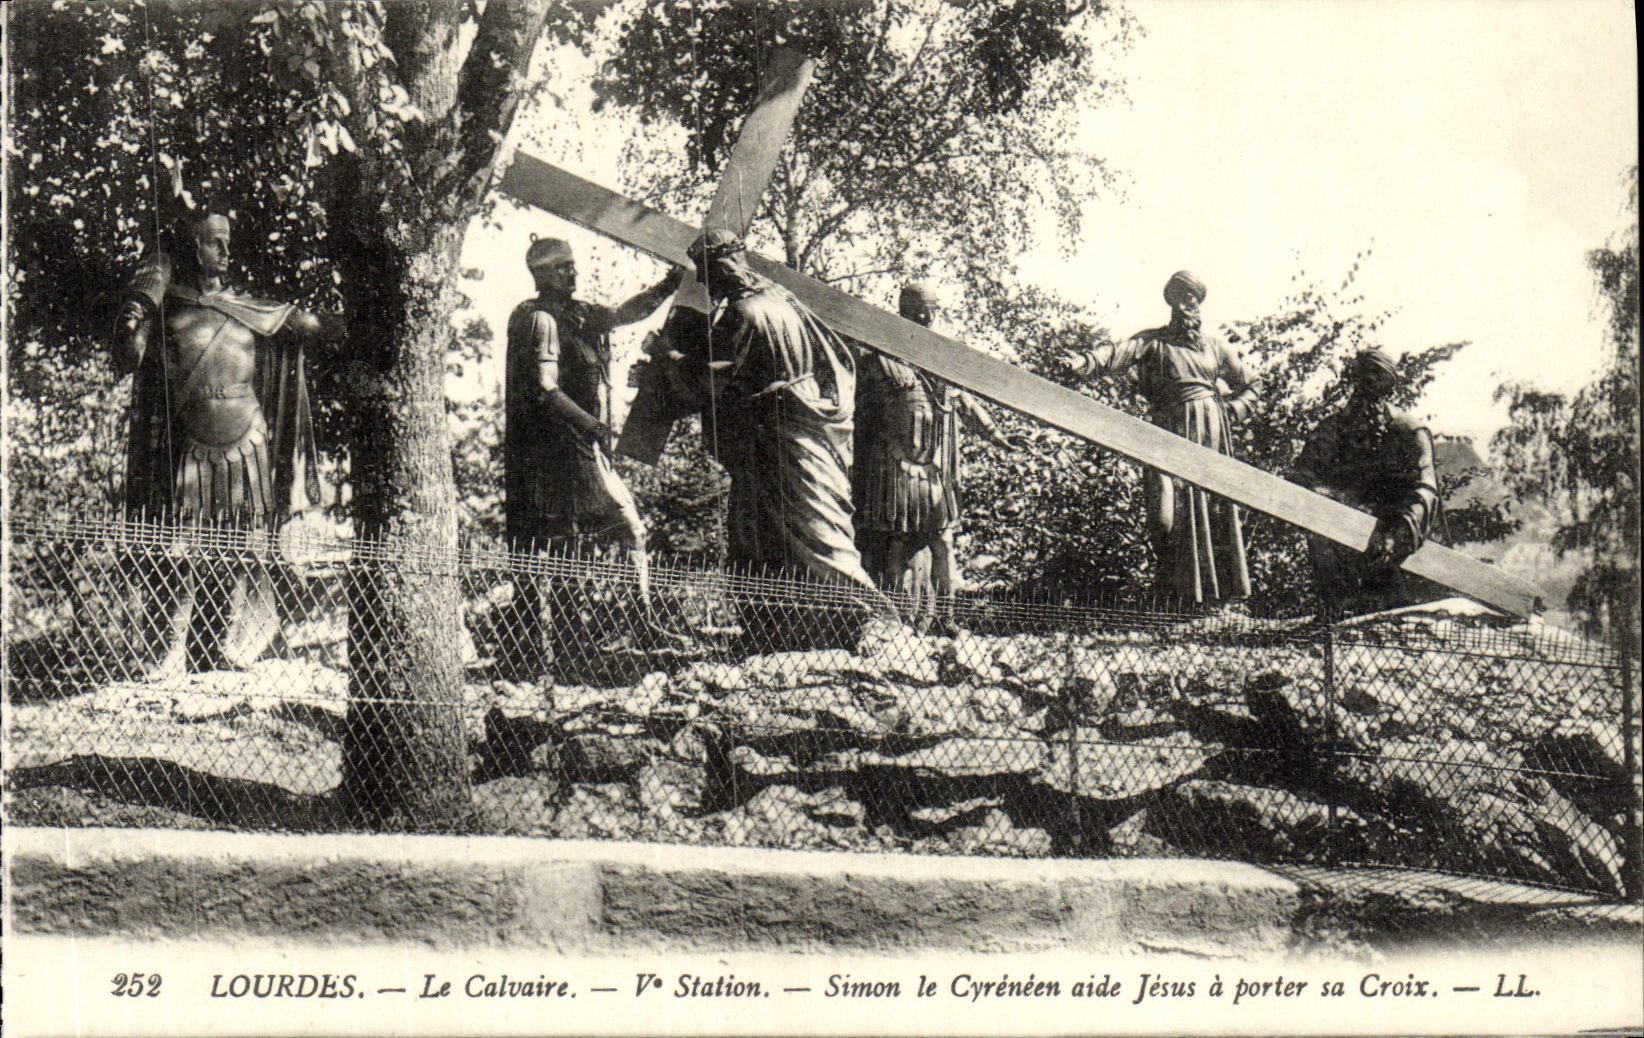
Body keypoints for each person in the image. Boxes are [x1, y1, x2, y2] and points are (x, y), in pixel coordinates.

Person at [112, 209, 335, 677]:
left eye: (228, 242)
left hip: (246, 439)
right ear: (193, 248)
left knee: (232, 547)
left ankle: (212, 650)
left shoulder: (252, 311)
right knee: (175, 548)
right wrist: (136, 315)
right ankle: (165, 651)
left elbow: (309, 327)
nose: (226, 252)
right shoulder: (168, 306)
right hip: (188, 440)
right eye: (216, 242)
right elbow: (128, 356)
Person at [663, 228, 895, 647]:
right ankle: (793, 633)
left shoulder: (743, 313)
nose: (702, 284)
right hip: (803, 427)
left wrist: (671, 360)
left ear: (722, 268)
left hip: (777, 439)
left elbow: (716, 382)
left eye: (705, 273)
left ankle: (871, 620)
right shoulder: (785, 299)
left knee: (791, 534)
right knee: (801, 529)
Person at [502, 236, 683, 677]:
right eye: (563, 268)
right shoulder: (538, 318)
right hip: (552, 452)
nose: (572, 273)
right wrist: (594, 426)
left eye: (572, 265)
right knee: (549, 549)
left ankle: (622, 630)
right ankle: (537, 652)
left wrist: (670, 284)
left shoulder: (580, 314)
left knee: (601, 539)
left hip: (582, 448)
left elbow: (625, 313)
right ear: (542, 273)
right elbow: (546, 388)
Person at [1061, 270, 1260, 607]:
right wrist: (1082, 363)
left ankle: (1211, 604)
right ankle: (1173, 593)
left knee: (1212, 513)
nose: (1188, 304)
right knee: (1164, 518)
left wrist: (1234, 410)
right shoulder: (1152, 341)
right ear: (1171, 302)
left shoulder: (1215, 346)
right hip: (1165, 434)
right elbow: (1114, 354)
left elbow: (1253, 384)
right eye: (1181, 297)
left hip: (1211, 434)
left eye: (1193, 298)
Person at [854, 280, 1018, 631]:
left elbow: (966, 403)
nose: (929, 316)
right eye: (924, 309)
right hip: (895, 469)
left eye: (933, 310)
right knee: (895, 545)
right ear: (908, 311)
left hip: (934, 471)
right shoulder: (878, 360)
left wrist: (998, 436)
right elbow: (858, 412)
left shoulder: (942, 361)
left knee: (943, 542)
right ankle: (896, 620)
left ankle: (946, 617)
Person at [1293, 348, 1441, 618]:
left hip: (1396, 531)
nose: (1365, 391)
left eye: (1375, 383)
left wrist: (1396, 536)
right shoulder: (1335, 428)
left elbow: (1426, 490)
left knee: (1394, 601)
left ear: (1388, 388)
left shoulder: (1410, 432)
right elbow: (1304, 473)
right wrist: (1315, 490)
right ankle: (1337, 611)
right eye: (1361, 382)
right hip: (1346, 527)